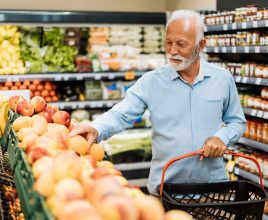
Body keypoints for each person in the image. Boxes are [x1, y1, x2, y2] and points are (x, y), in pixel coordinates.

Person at [70, 10, 246, 196]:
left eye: (181, 44)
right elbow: (121, 114)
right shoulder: (152, 81)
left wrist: (221, 138)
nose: (172, 51)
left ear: (200, 45)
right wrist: (95, 128)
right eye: (168, 42)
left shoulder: (222, 79)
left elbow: (237, 122)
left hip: (213, 191)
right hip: (167, 191)